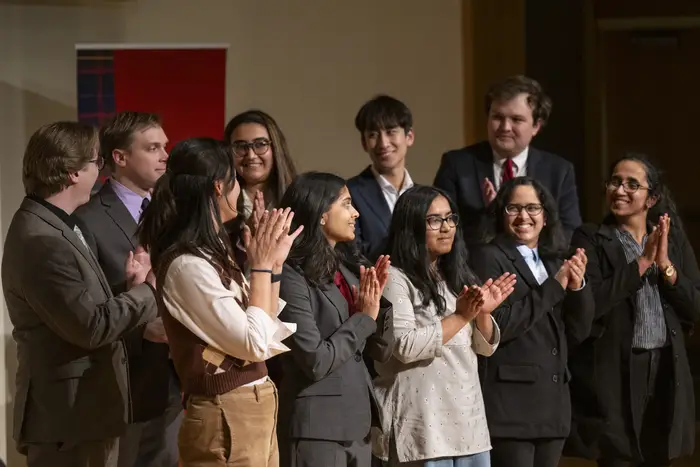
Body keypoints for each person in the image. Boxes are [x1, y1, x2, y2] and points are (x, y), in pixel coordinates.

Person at [2, 121, 158, 467]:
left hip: (80, 416)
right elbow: (90, 327)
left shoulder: (53, 223)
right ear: (73, 172)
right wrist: (148, 291)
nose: (99, 173)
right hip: (68, 419)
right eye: (96, 163)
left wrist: (132, 290)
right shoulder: (42, 240)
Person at [138, 137, 301, 466]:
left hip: (255, 402)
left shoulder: (210, 253)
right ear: (217, 188)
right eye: (235, 181)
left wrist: (273, 266)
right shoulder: (187, 264)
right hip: (225, 407)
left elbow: (265, 335)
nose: (239, 189)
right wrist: (259, 266)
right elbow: (254, 342)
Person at [566, 155, 700, 466]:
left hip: (666, 365)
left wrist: (665, 265)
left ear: (651, 198)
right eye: (615, 181)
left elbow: (693, 307)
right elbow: (591, 303)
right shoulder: (589, 237)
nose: (620, 189)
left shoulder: (672, 237)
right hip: (617, 369)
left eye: (632, 184)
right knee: (619, 457)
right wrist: (641, 263)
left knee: (658, 454)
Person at [373, 185, 516, 467]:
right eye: (434, 220)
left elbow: (483, 348)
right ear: (411, 226)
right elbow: (403, 346)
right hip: (423, 426)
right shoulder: (394, 278)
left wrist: (483, 314)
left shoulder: (455, 275)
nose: (446, 227)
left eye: (450, 218)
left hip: (468, 421)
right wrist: (461, 317)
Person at [75, 111, 181, 467]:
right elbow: (88, 308)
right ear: (119, 158)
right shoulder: (88, 218)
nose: (165, 155)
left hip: (180, 373)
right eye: (153, 148)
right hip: (126, 378)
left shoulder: (174, 212)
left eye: (164, 146)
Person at [470, 177, 595, 467]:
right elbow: (499, 325)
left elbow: (578, 330)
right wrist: (554, 286)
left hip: (554, 405)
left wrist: (577, 286)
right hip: (511, 407)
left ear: (546, 215)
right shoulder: (488, 256)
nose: (524, 216)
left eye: (532, 208)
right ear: (500, 213)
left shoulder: (555, 260)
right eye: (513, 208)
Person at [276, 172, 393, 467]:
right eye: (346, 204)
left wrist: (378, 303)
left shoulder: (347, 266)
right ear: (321, 214)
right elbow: (315, 360)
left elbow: (381, 350)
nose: (355, 213)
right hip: (317, 430)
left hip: (358, 425)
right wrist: (364, 318)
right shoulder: (290, 274)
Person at [433, 75, 581, 245]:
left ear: (536, 126)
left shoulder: (559, 171)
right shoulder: (457, 165)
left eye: (516, 119)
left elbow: (570, 234)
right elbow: (440, 229)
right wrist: (491, 216)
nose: (505, 127)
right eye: (497, 117)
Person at [347, 95, 415, 259]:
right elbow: (351, 253)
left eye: (391, 132)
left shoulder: (425, 195)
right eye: (373, 135)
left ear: (409, 137)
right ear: (364, 143)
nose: (383, 143)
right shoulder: (349, 193)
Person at [223, 109, 297, 221]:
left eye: (260, 144)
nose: (251, 155)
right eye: (241, 146)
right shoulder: (219, 202)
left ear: (276, 148)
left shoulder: (299, 197)